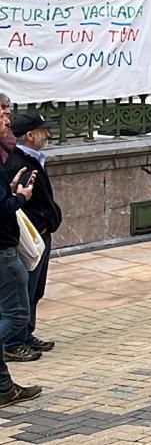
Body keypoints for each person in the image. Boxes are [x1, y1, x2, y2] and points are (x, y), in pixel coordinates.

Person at [2, 114, 59, 362]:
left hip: (41, 232)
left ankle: (26, 333)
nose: (47, 135)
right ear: (31, 136)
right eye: (43, 131)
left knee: (35, 289)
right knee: (24, 290)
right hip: (30, 235)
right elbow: (17, 205)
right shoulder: (20, 163)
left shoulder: (33, 159)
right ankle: (14, 341)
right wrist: (41, 221)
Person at [0, 151, 39, 406]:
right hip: (3, 251)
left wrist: (10, 190)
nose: (6, 117)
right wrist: (19, 198)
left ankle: (4, 389)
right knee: (17, 315)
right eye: (1, 111)